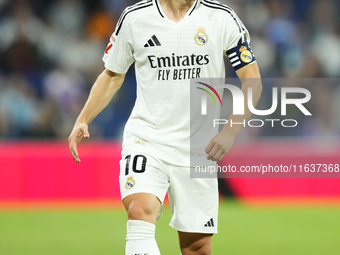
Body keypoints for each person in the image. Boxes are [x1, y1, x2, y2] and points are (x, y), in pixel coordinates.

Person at [68, 0, 262, 254]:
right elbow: (112, 74)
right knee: (140, 210)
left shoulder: (221, 18)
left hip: (198, 149)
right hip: (147, 139)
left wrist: (230, 131)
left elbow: (252, 80)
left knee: (197, 246)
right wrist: (84, 117)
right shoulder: (135, 18)